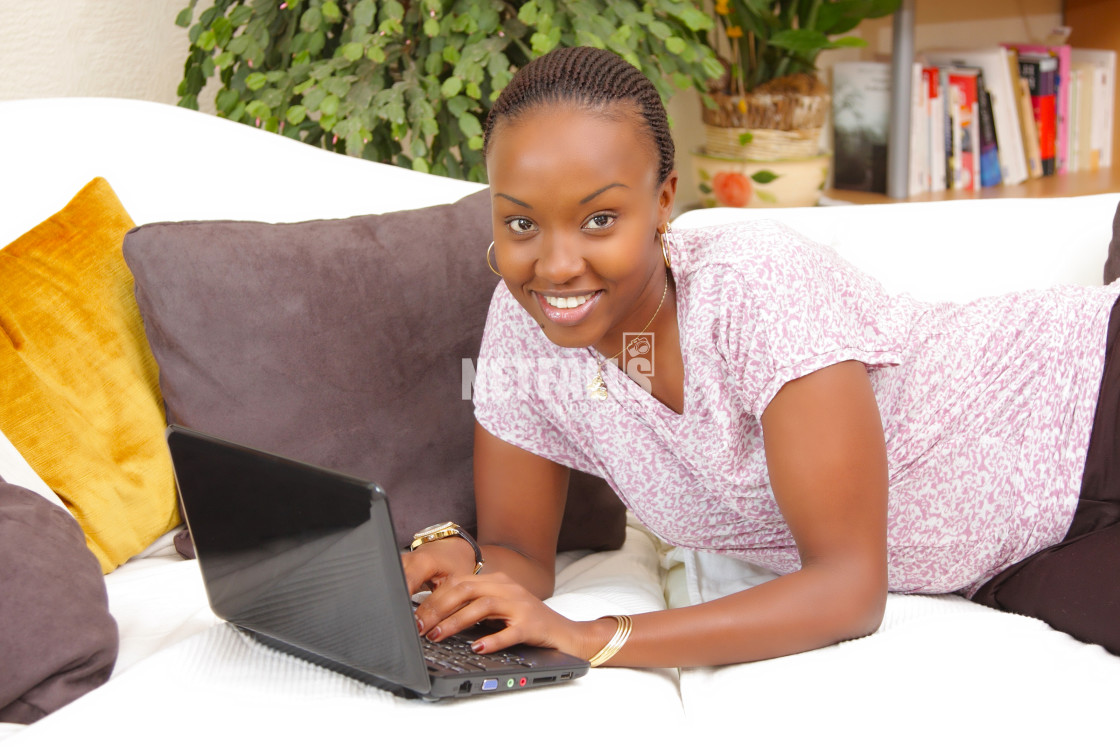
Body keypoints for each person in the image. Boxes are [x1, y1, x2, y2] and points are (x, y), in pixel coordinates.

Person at [404, 46, 1120, 667]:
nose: (555, 265)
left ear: (663, 202)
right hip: (1019, 554)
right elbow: (519, 556)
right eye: (521, 221)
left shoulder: (751, 285)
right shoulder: (522, 324)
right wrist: (462, 568)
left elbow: (848, 588)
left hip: (1093, 396)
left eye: (599, 218)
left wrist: (594, 636)